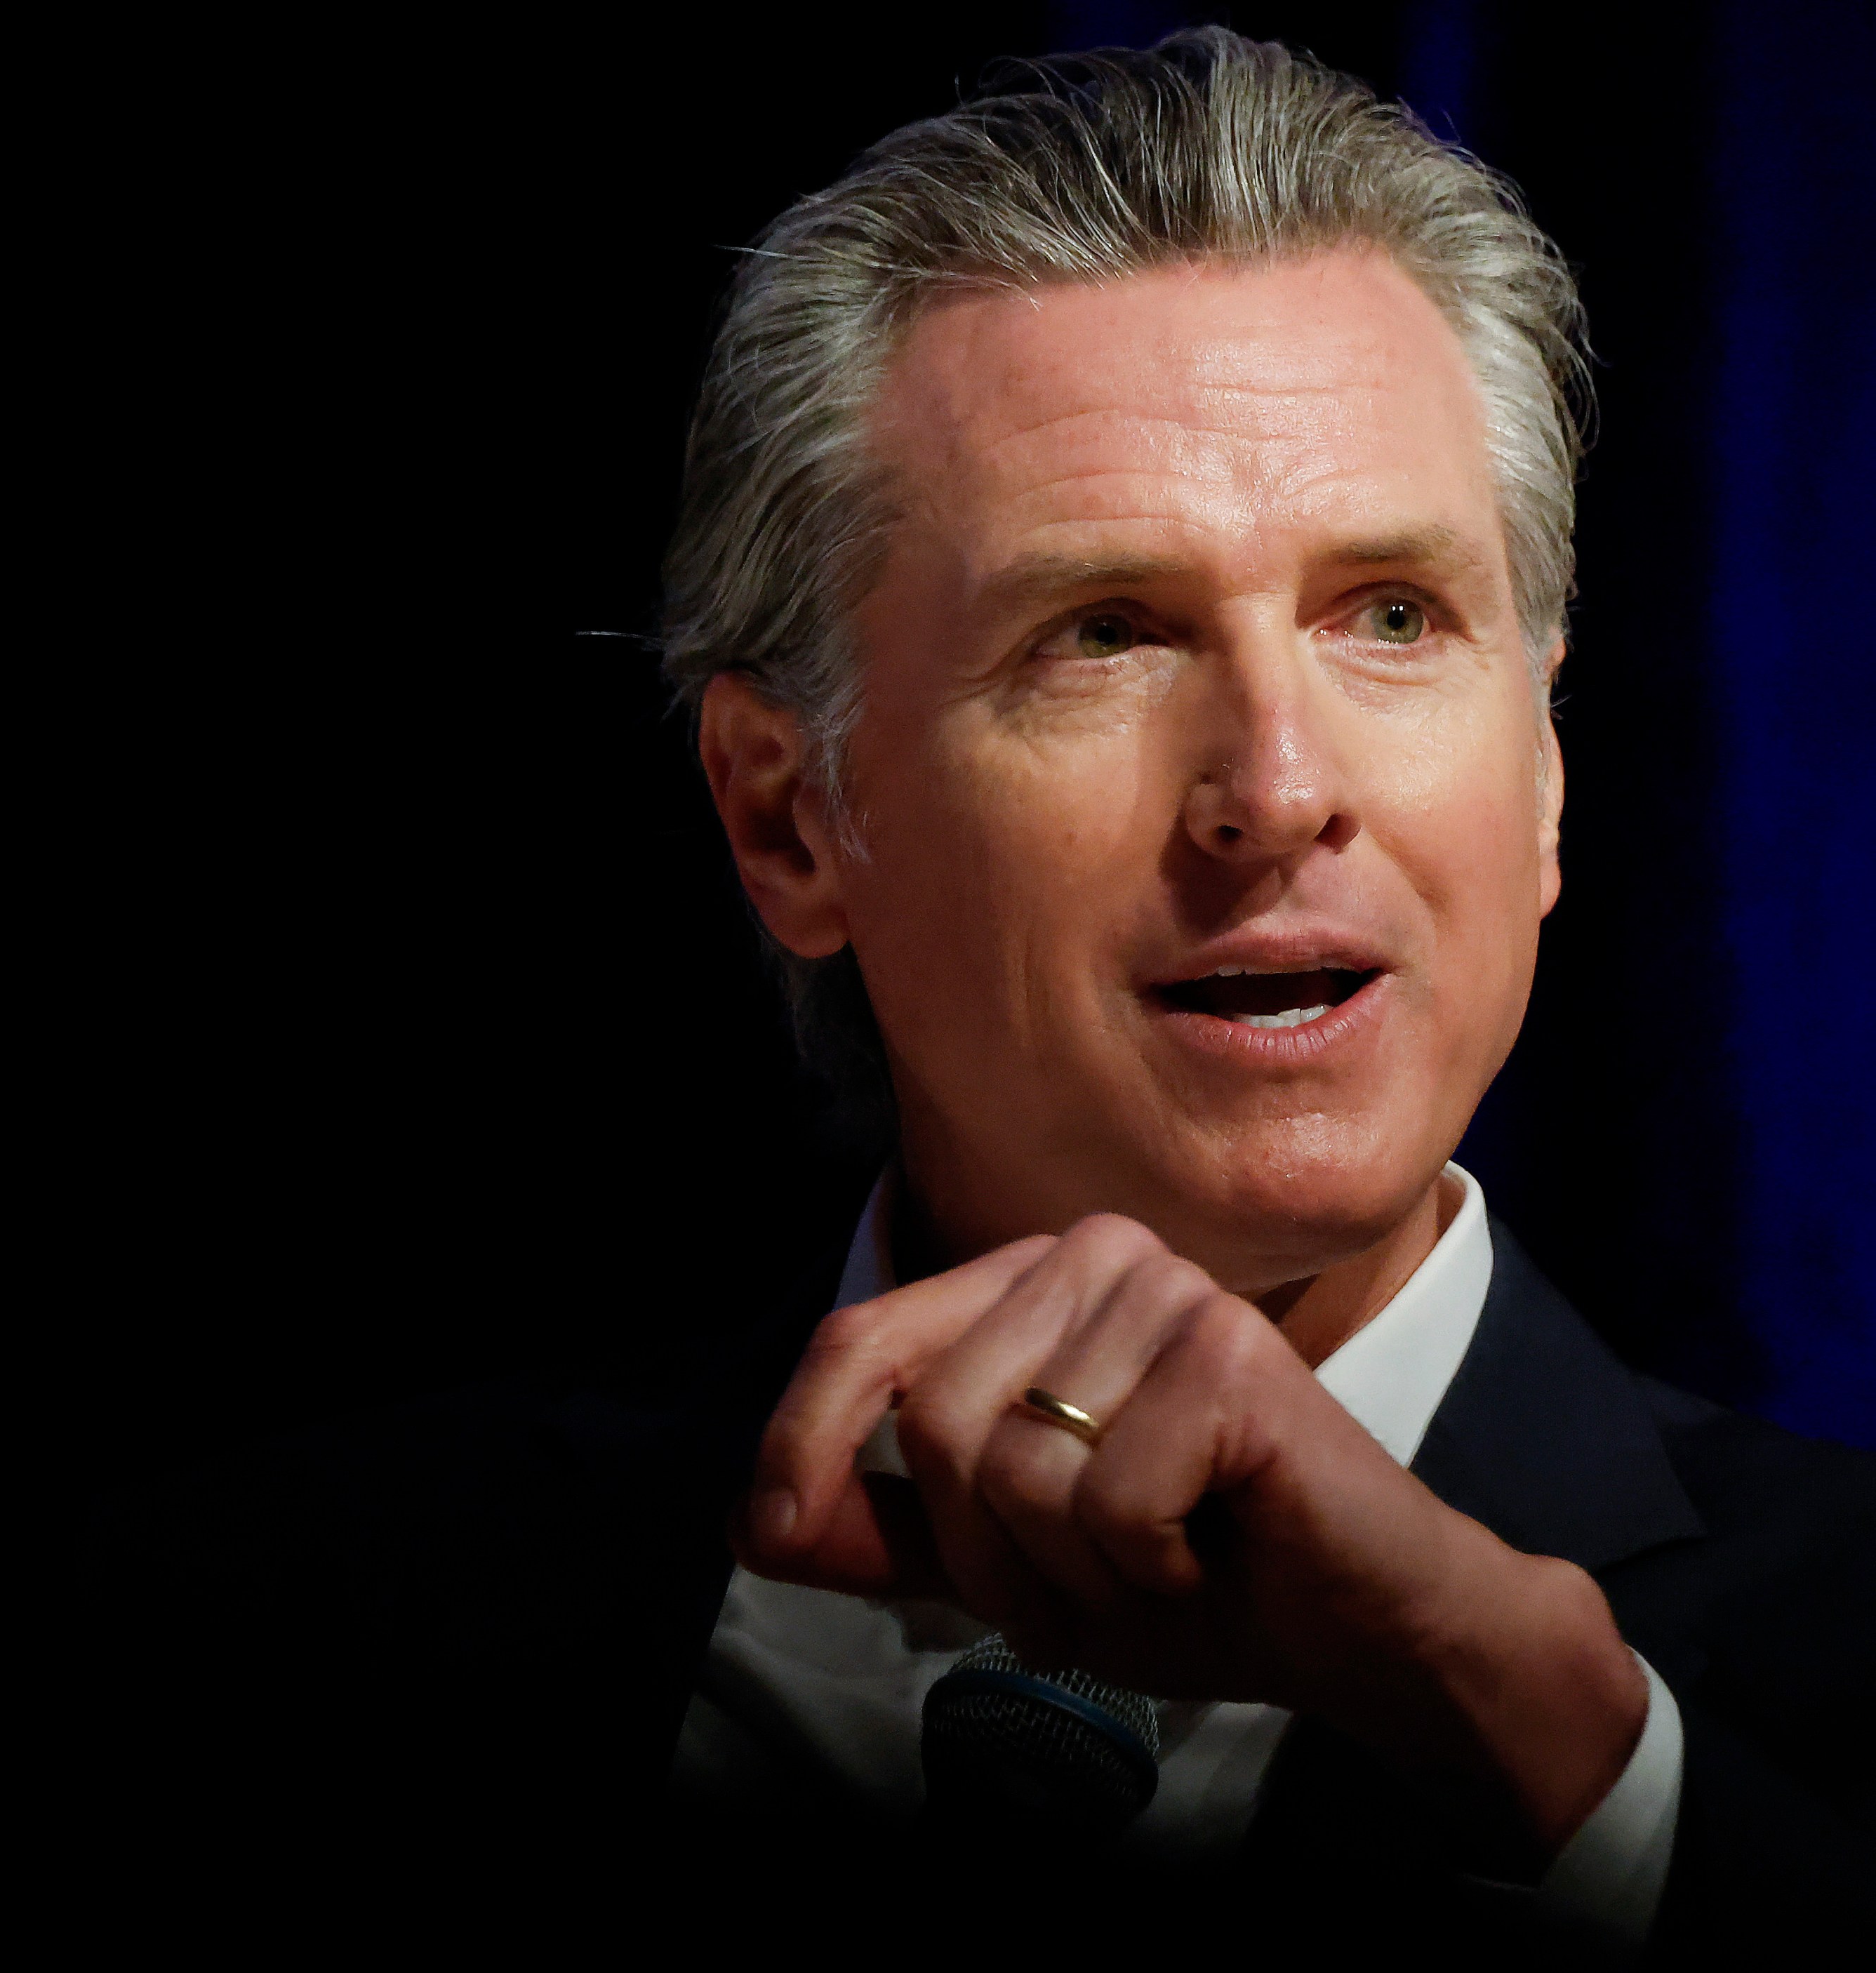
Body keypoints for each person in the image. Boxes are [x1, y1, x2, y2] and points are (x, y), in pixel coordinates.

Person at [173, 31, 1872, 1953]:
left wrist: (1580, 1765)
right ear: (791, 818)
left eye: (1390, 614)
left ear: (1546, 775)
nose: (1284, 789)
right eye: (1107, 634)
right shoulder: (280, 1620)